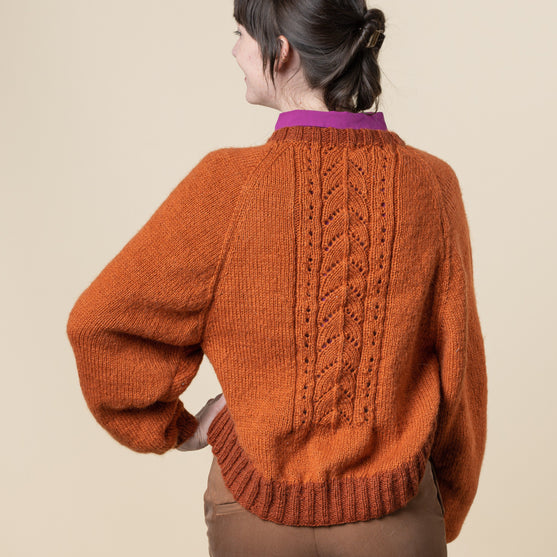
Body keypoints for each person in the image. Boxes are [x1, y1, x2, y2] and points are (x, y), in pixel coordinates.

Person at [66, 1, 488, 556]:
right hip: (395, 508)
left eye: (242, 34)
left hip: (251, 508)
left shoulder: (226, 184)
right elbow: (461, 370)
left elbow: (99, 323)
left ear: (281, 50)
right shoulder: (432, 185)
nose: (236, 50)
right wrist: (441, 503)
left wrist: (179, 427)